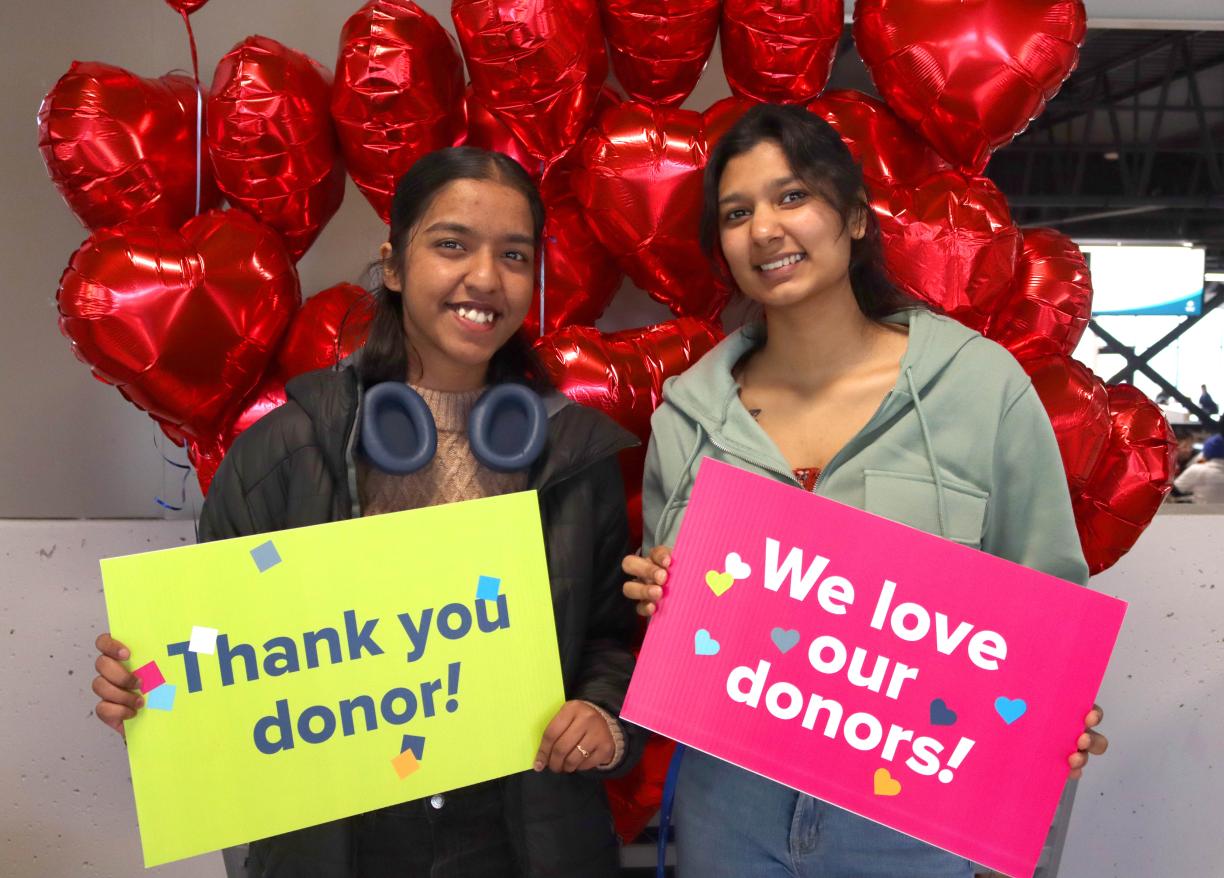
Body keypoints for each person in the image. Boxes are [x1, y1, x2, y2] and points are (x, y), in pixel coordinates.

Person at [90, 147, 643, 878]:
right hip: (338, 844)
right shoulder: (282, 455)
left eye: (513, 255)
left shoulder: (575, 456)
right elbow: (213, 650)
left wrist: (603, 714)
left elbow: (612, 640)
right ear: (393, 266)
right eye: (452, 245)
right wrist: (148, 688)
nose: (485, 277)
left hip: (522, 839)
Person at [622, 104, 1107, 877]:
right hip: (730, 808)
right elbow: (685, 634)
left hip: (913, 816)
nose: (765, 229)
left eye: (792, 197)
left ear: (852, 217)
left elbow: (1047, 607)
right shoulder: (687, 414)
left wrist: (1050, 715)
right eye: (737, 213)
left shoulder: (980, 387)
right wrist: (659, 599)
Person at [1173, 433, 1224, 503]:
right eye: (1185, 446)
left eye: (1190, 446)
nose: (1189, 450)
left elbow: (1174, 491)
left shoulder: (1197, 468)